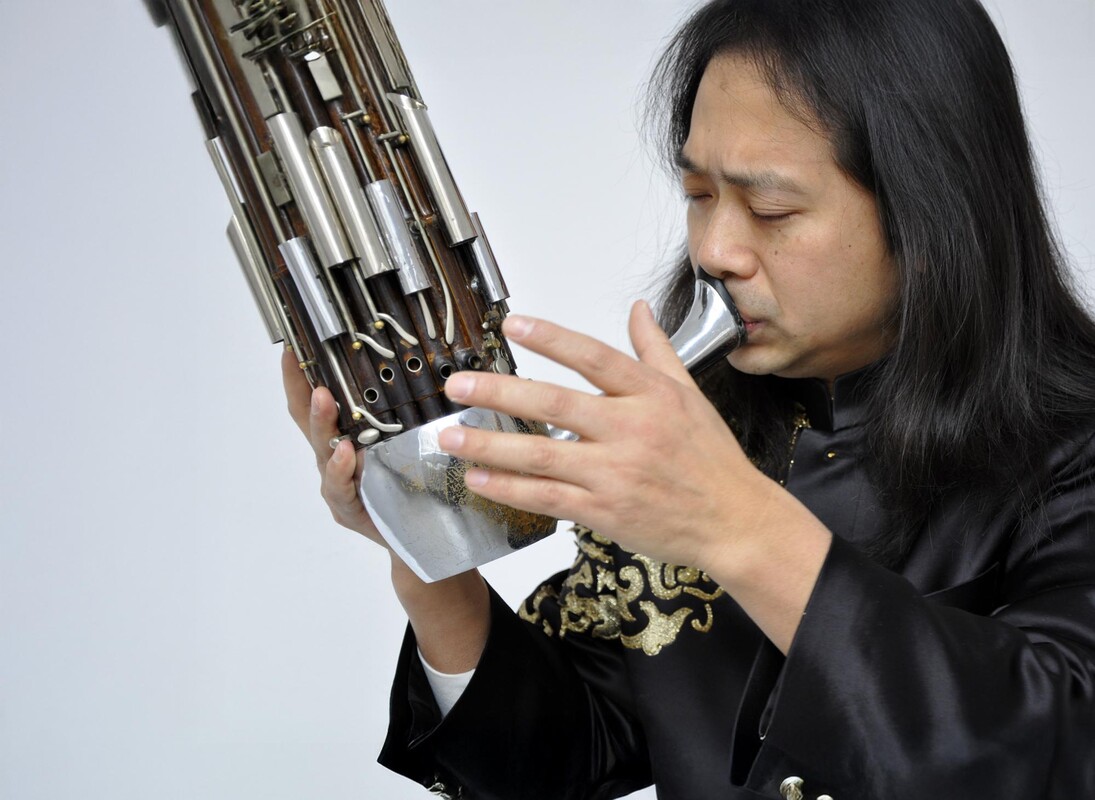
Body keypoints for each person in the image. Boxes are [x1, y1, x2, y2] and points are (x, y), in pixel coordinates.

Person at [282, 0, 1095, 797]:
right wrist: (427, 551)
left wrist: (736, 524)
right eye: (699, 194)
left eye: (770, 208)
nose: (713, 250)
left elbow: (1059, 751)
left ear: (933, 209)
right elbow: (562, 758)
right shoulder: (709, 424)